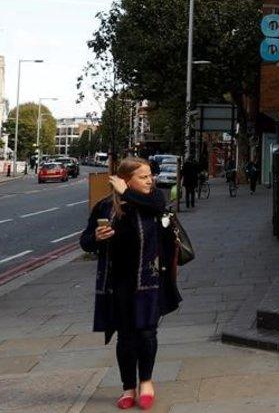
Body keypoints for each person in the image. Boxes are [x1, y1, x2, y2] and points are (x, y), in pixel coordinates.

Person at [80, 157, 181, 410]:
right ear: (127, 179)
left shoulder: (154, 200)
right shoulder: (105, 208)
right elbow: (85, 241)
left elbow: (158, 207)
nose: (151, 180)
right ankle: (128, 387)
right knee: (125, 338)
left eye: (150, 176)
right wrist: (96, 237)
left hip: (150, 279)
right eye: (144, 177)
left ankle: (146, 382)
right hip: (118, 283)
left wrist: (126, 192)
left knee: (146, 333)